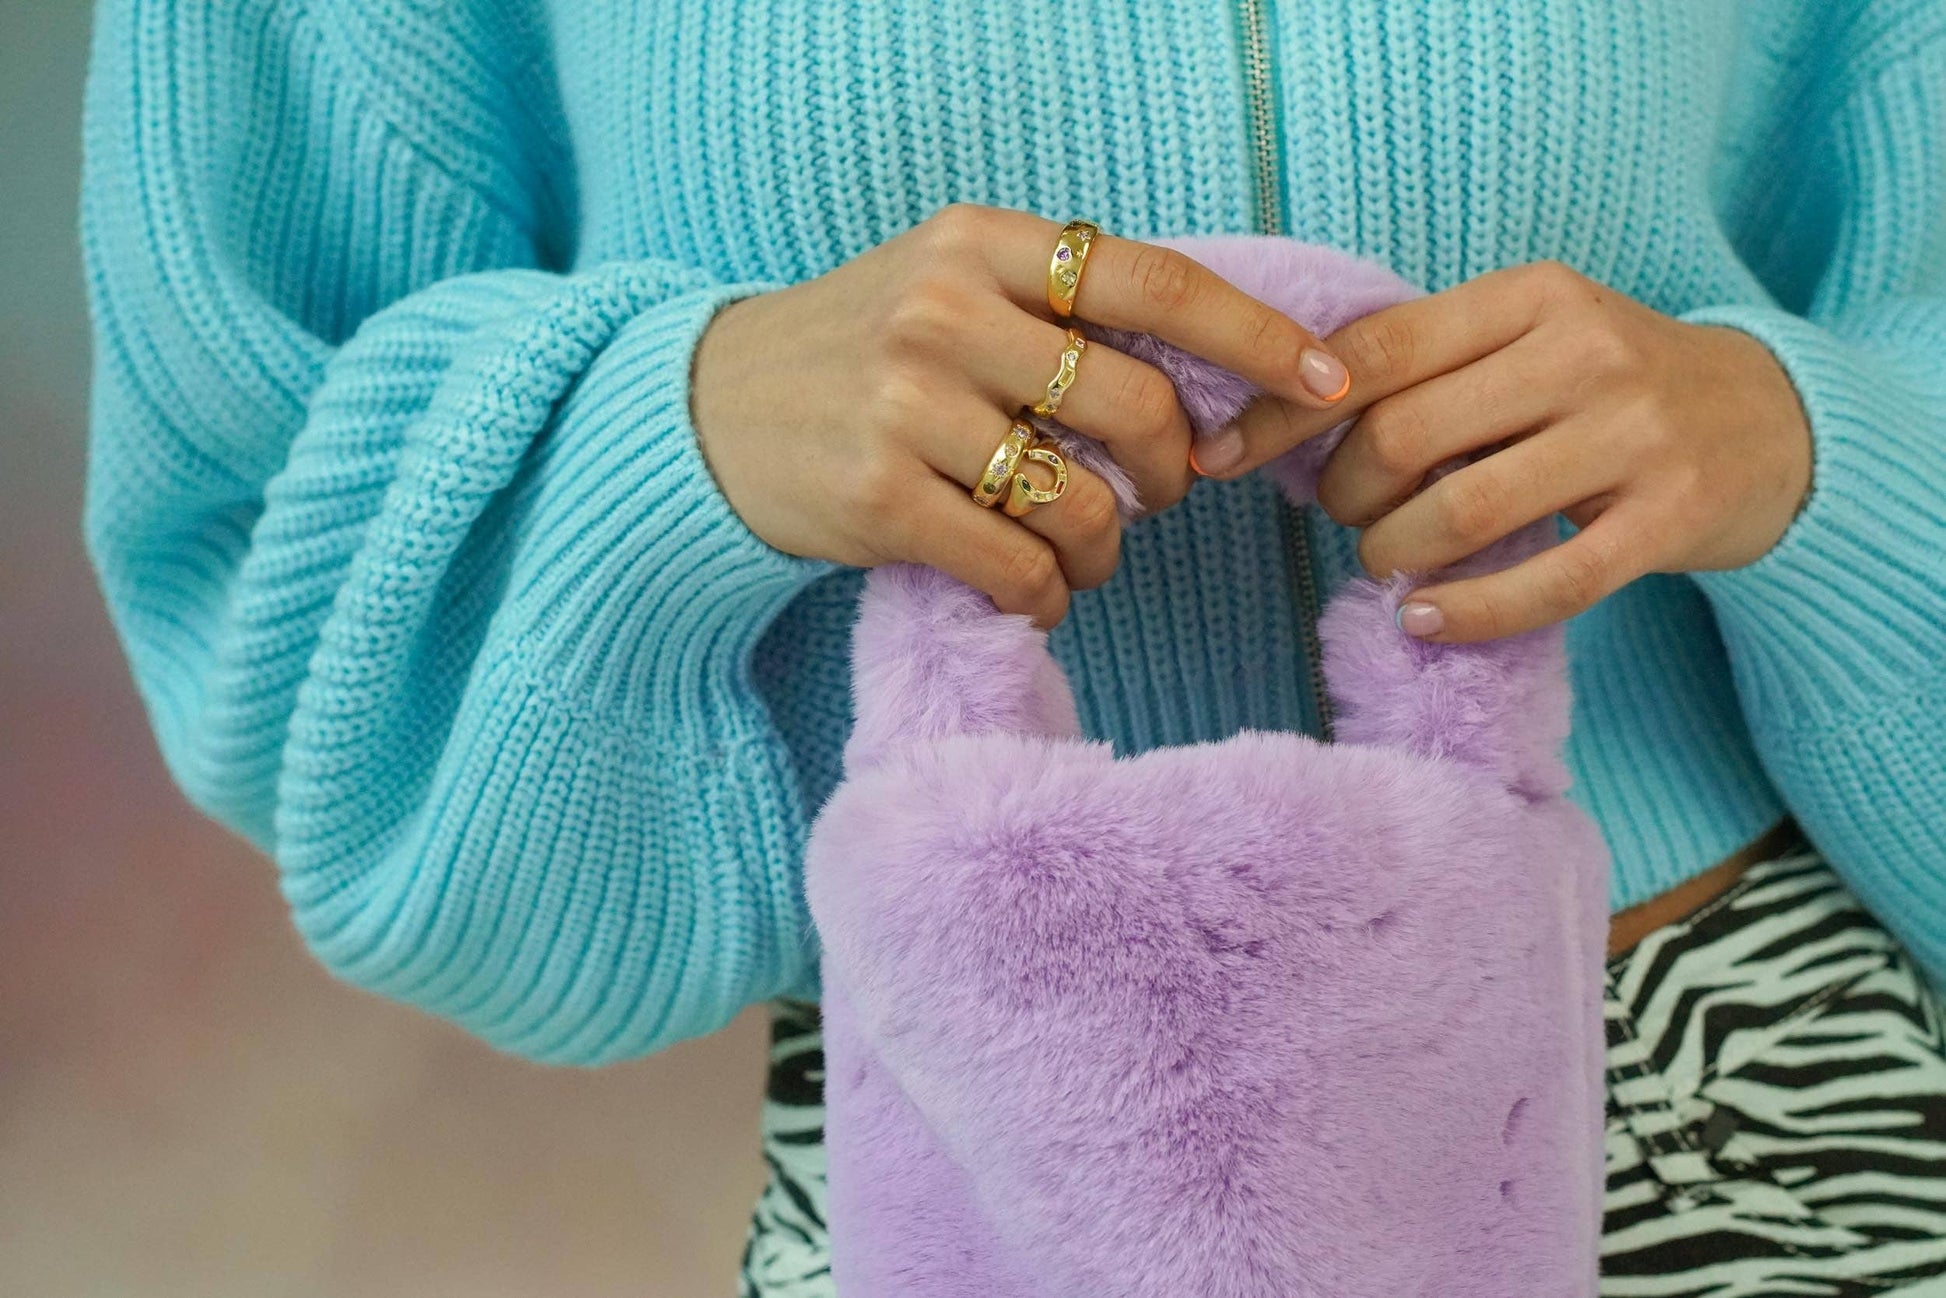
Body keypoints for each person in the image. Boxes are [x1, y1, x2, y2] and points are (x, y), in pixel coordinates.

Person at [78, 1, 1946, 1292]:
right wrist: (687, 430)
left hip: (1761, 1103)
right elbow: (255, 553)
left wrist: (1807, 449)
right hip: (993, 1147)